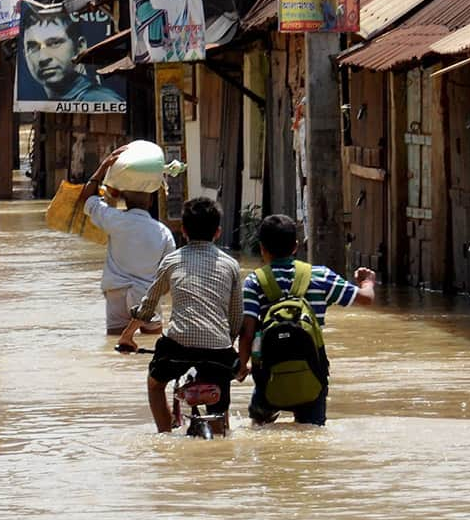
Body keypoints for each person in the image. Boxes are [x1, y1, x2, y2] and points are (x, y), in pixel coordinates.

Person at [237, 214, 376, 426]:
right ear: (295, 246)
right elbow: (366, 299)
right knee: (311, 432)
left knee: (261, 431)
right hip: (312, 373)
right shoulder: (319, 276)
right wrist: (367, 281)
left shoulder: (255, 281)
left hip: (269, 375)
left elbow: (247, 332)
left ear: (262, 248)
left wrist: (242, 365)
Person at [118, 197, 242, 433]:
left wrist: (127, 336)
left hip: (178, 346)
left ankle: (164, 434)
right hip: (219, 347)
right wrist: (228, 344)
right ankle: (219, 431)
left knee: (155, 384)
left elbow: (148, 305)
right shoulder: (230, 265)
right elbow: (236, 317)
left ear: (183, 231)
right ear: (218, 232)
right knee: (220, 395)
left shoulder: (172, 261)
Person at [79, 145, 176, 335]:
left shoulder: (114, 220)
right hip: (147, 294)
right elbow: (170, 274)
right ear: (150, 201)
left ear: (123, 198)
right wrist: (157, 298)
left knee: (116, 346)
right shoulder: (163, 232)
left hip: (117, 293)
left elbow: (87, 199)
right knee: (151, 344)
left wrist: (103, 167)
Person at [21, 9, 123, 103]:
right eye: (33, 47)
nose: (43, 58)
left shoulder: (101, 100)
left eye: (55, 43)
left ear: (79, 46)